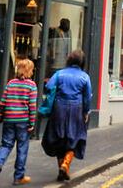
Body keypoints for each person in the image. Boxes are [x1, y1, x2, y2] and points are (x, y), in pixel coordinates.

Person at [41, 49, 91, 182]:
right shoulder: (85, 77)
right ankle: (65, 165)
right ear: (82, 62)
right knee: (75, 138)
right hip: (76, 109)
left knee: (58, 139)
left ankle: (62, 169)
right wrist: (86, 112)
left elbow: (49, 87)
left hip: (59, 108)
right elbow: (87, 98)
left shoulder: (59, 74)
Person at [0, 58, 37, 186]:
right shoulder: (31, 85)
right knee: (22, 148)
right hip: (23, 121)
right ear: (29, 71)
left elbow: (2, 102)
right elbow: (32, 107)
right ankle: (18, 177)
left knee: (6, 145)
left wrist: (1, 116)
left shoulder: (11, 83)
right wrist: (32, 124)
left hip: (9, 120)